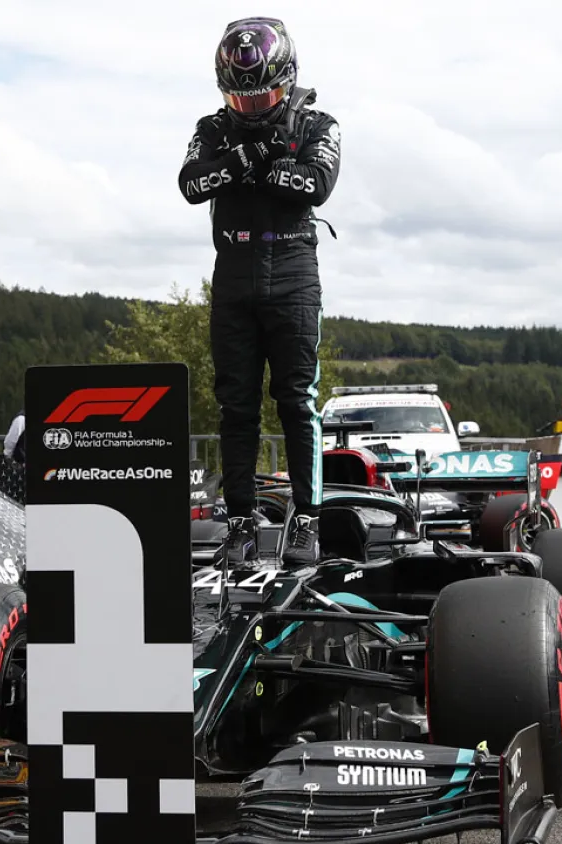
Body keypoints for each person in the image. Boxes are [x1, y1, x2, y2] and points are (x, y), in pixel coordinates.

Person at [178, 16, 342, 568]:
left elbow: (314, 185)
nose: (249, 108)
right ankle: (241, 525)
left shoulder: (320, 123)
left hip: (294, 275)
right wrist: (251, 158)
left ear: (286, 77)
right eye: (239, 99)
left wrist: (251, 168)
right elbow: (190, 185)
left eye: (261, 97)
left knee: (297, 403)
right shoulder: (212, 127)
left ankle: (308, 522)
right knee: (236, 407)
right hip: (233, 277)